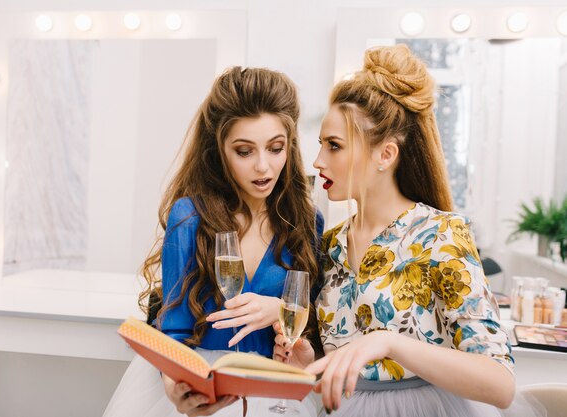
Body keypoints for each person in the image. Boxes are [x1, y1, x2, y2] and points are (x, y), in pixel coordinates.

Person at [273, 44, 545, 417]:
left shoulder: (441, 235)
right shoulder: (330, 243)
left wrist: (389, 343)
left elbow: (499, 383)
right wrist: (309, 362)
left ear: (385, 154)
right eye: (321, 144)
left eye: (334, 146)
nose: (318, 160)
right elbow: (349, 367)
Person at [103, 66, 323, 417]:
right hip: (201, 380)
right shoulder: (190, 217)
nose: (263, 167)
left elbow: (309, 327)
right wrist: (176, 387)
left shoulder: (307, 224)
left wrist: (280, 315)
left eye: (275, 148)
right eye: (244, 151)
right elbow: (173, 325)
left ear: (290, 145)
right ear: (220, 150)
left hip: (273, 390)